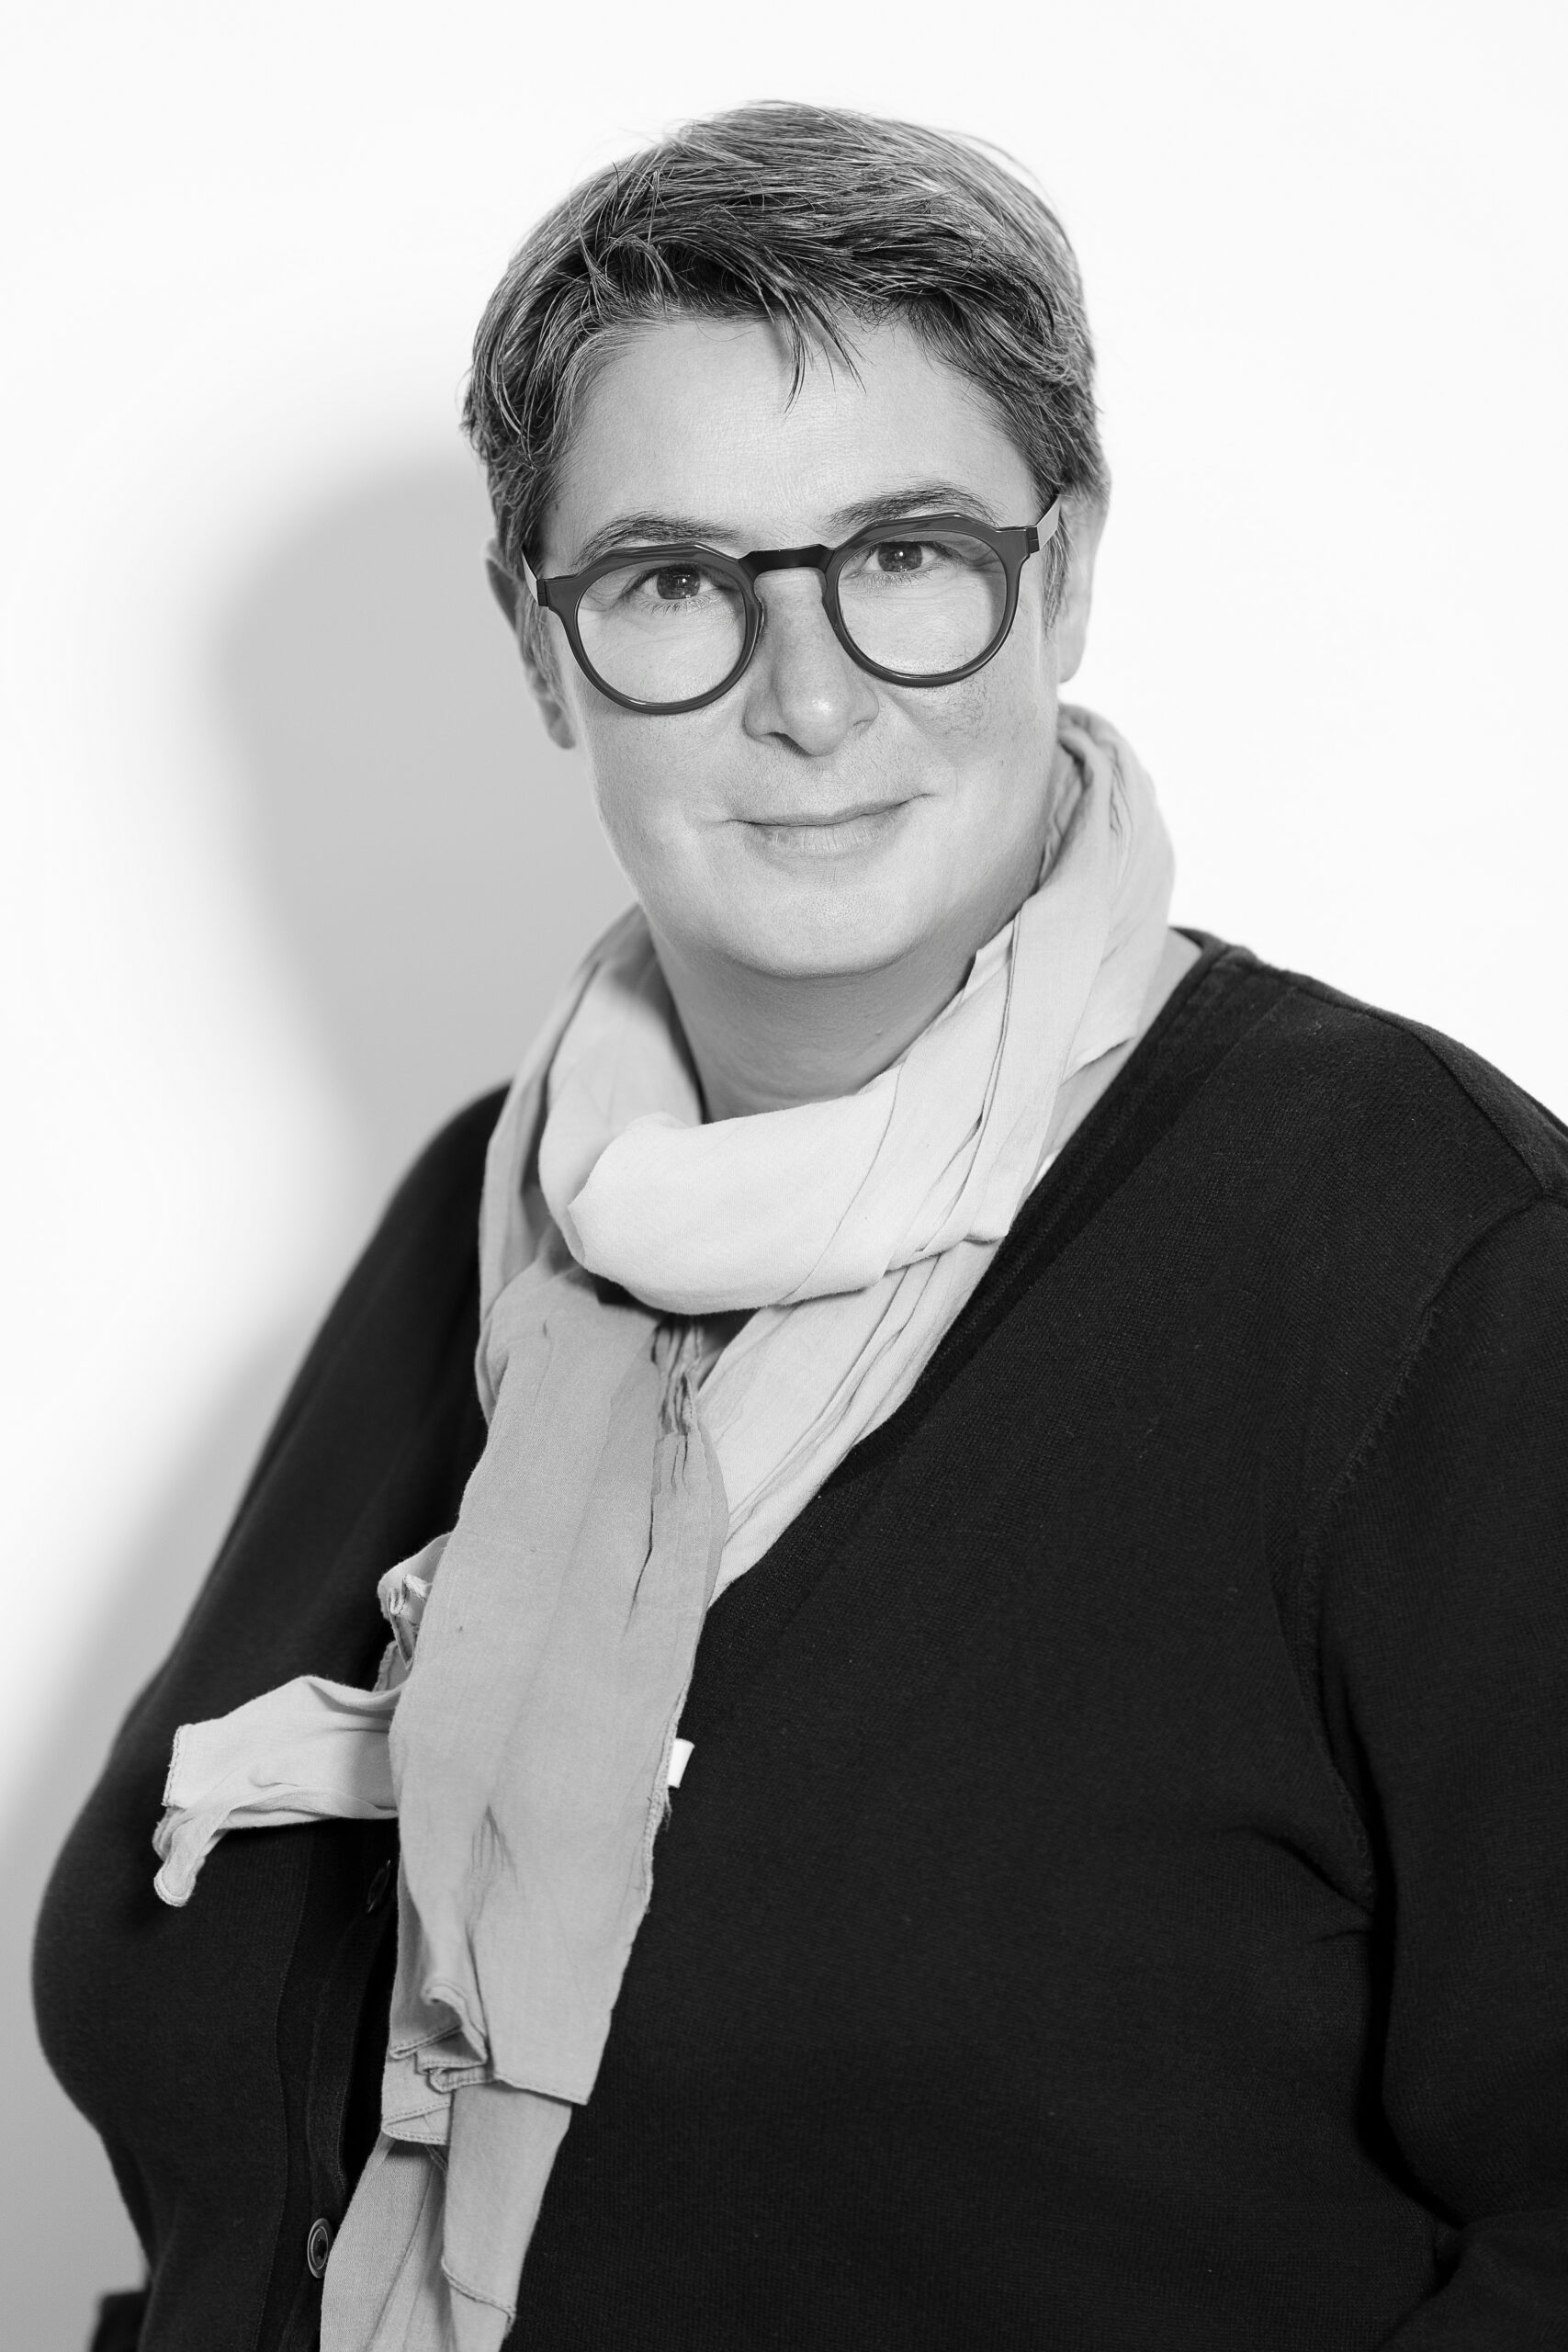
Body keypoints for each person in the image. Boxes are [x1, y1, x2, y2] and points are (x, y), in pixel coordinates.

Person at [33, 100, 1568, 2352]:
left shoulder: (1430, 1270)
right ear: (540, 646)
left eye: (906, 552)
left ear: (1058, 576)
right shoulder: (484, 1218)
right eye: (672, 580)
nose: (811, 693)